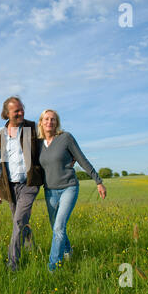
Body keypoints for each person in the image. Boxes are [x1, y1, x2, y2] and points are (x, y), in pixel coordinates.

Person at [37, 109, 107, 272]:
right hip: (49, 191)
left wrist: (98, 181)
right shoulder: (38, 144)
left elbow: (81, 159)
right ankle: (68, 251)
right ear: (41, 122)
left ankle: (53, 268)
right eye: (46, 119)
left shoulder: (66, 138)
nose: (50, 122)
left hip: (69, 187)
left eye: (53, 119)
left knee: (59, 227)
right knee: (56, 226)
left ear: (57, 122)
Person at [0, 96, 43, 271]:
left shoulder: (32, 127)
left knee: (18, 222)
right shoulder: (1, 135)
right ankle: (30, 244)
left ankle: (12, 264)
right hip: (10, 186)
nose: (21, 113)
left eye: (22, 109)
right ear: (7, 113)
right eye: (17, 111)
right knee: (21, 221)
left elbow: (50, 140)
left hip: (29, 183)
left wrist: (67, 154)